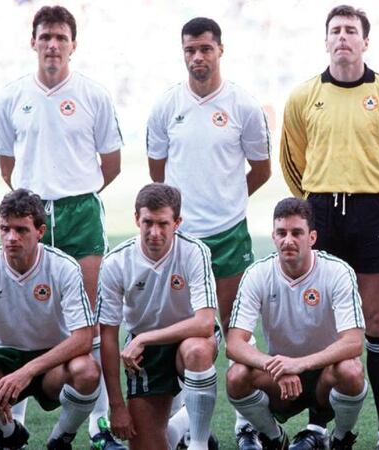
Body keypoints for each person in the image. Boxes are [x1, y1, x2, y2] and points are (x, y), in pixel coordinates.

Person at [280, 5, 379, 448]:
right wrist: (314, 205)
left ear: (365, 41)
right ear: (326, 41)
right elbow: (293, 162)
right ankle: (319, 427)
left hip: (372, 210)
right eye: (335, 30)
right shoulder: (303, 96)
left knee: (376, 318)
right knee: (327, 321)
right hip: (321, 209)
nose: (343, 37)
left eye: (351, 30)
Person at [0, 6, 123, 446]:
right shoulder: (12, 96)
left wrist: (72, 190)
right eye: (45, 36)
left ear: (73, 45)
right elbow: (7, 164)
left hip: (80, 212)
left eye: (60, 37)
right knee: (21, 315)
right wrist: (35, 203)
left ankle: (99, 424)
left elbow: (111, 163)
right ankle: (13, 423)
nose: (52, 45)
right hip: (30, 216)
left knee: (90, 317)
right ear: (33, 42)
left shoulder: (93, 94)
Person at [146, 17, 271, 447]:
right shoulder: (166, 106)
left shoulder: (243, 105)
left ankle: (245, 424)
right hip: (181, 241)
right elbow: (158, 175)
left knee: (237, 329)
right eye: (190, 50)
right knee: (188, 333)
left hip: (228, 235)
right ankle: (186, 426)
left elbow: (262, 169)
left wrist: (228, 201)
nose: (197, 57)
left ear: (220, 50)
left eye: (205, 49)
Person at [226, 197, 367, 450]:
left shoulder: (338, 271)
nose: (288, 240)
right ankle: (273, 438)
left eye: (297, 233)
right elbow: (235, 344)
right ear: (273, 236)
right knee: (236, 376)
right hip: (280, 379)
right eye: (281, 233)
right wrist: (275, 366)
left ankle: (340, 438)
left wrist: (300, 364)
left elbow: (354, 343)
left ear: (312, 237)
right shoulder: (257, 274)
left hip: (325, 375)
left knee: (351, 371)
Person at [0, 189, 100, 448]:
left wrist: (27, 371)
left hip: (53, 362)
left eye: (21, 230)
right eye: (5, 229)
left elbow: (84, 338)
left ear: (40, 231)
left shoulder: (63, 267)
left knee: (87, 371)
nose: (11, 237)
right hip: (3, 357)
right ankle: (10, 434)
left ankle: (61, 437)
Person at [97, 184, 220, 450]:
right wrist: (117, 406)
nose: (154, 232)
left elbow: (205, 323)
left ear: (177, 222)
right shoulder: (116, 262)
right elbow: (107, 334)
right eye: (148, 223)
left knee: (197, 351)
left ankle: (198, 442)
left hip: (189, 336)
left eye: (163, 224)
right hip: (146, 354)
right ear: (136, 220)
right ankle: (185, 420)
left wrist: (144, 338)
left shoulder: (194, 251)